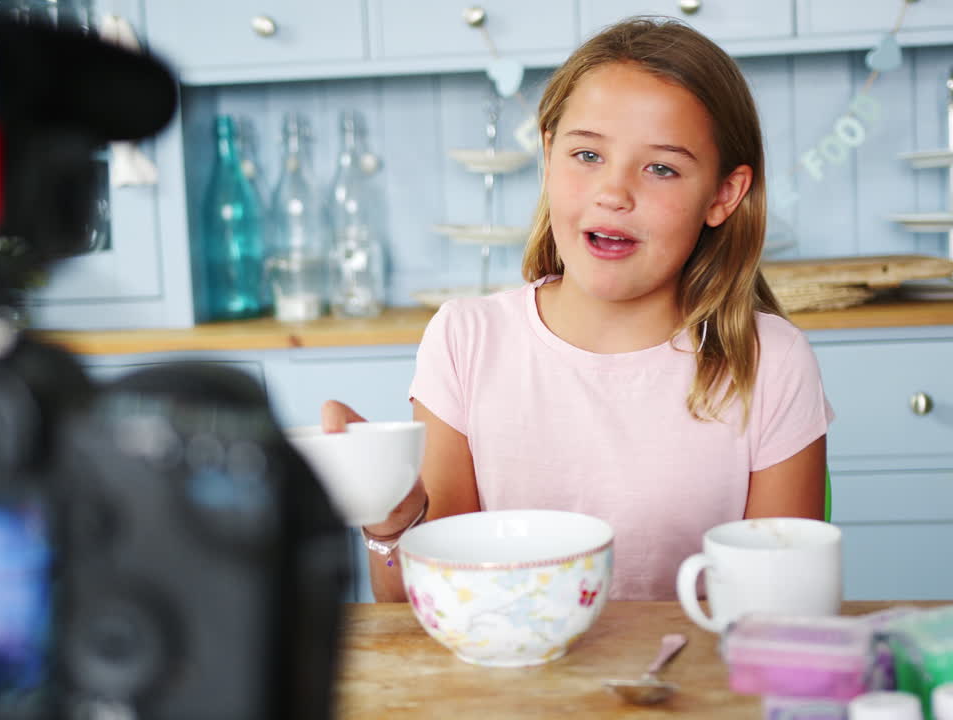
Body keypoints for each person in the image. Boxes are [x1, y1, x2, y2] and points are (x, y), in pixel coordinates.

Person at [323, 17, 834, 602]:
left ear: (724, 194)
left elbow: (784, 611)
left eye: (662, 168)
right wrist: (392, 518)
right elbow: (424, 609)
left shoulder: (771, 361)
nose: (614, 193)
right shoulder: (464, 340)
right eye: (588, 154)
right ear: (548, 155)